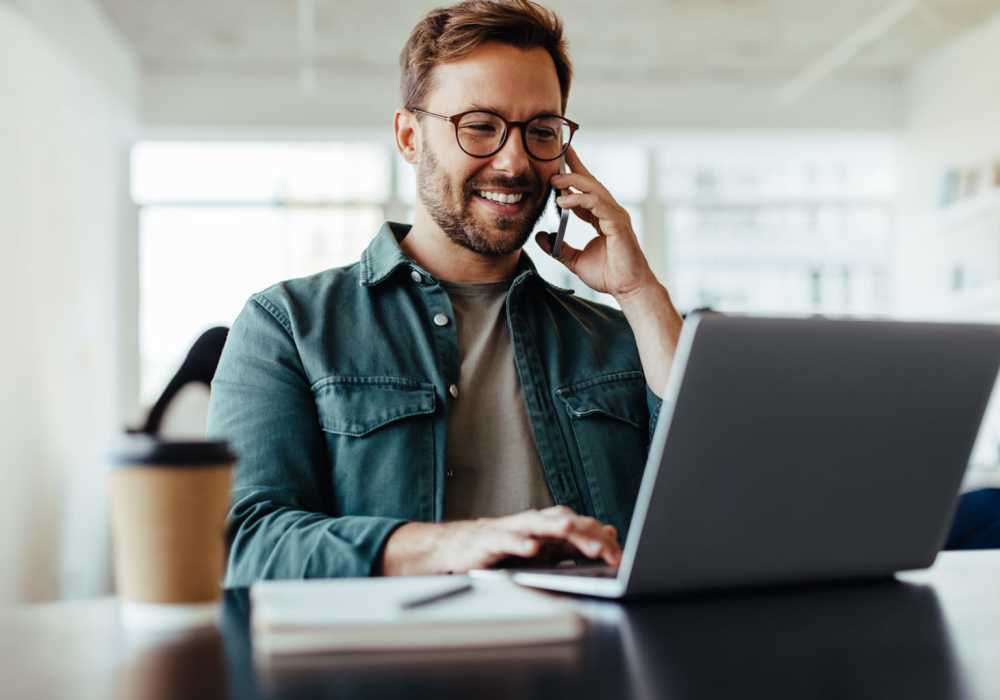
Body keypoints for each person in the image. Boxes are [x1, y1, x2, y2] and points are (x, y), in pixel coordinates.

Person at [208, 0, 684, 584]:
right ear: (409, 136)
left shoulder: (616, 339)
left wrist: (639, 292)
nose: (514, 162)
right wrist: (456, 544)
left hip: (594, 665)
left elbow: (717, 505)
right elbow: (243, 544)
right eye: (480, 126)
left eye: (540, 131)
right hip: (392, 668)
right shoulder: (288, 326)